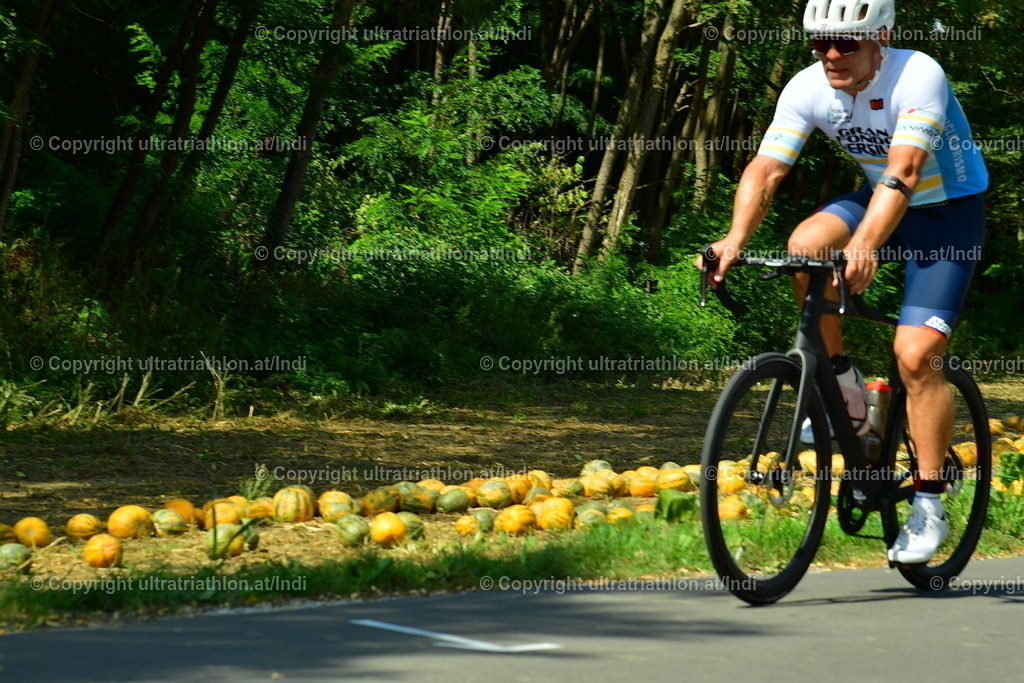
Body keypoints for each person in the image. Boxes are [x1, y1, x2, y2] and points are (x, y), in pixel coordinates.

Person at [698, 0, 988, 563]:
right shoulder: (808, 87)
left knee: (915, 355)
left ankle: (929, 502)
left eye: (846, 43)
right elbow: (767, 169)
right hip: (877, 200)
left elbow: (905, 170)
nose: (830, 54)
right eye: (819, 42)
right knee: (805, 247)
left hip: (946, 215)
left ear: (881, 38)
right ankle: (842, 384)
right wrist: (733, 239)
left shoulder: (918, 73)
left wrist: (864, 244)